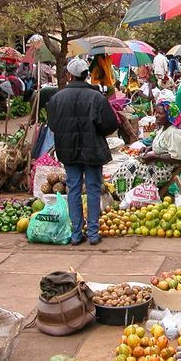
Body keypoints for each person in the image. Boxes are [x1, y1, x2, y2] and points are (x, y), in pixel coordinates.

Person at [47, 59, 119, 246]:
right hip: (93, 149)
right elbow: (110, 124)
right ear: (87, 74)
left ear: (70, 75)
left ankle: (76, 233)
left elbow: (53, 126)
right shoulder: (96, 98)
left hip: (68, 149)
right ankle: (93, 233)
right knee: (93, 189)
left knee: (73, 189)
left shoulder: (57, 98)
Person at [111, 97, 181, 198]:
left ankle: (123, 195)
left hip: (163, 170)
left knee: (130, 168)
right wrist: (149, 148)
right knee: (129, 162)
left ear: (169, 115)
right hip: (158, 164)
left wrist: (155, 157)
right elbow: (162, 145)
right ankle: (117, 190)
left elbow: (176, 158)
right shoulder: (164, 128)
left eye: (160, 113)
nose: (157, 115)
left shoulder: (173, 133)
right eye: (156, 112)